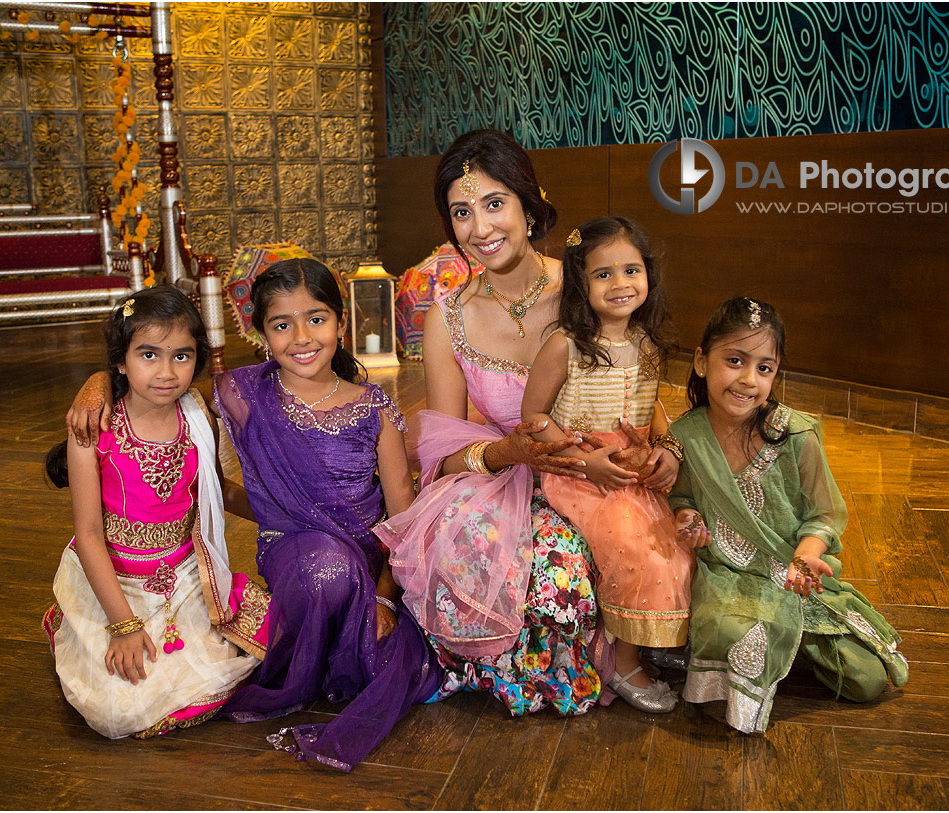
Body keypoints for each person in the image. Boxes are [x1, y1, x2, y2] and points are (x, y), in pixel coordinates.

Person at [377, 130, 651, 715]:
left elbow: (637, 375)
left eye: (494, 203)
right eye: (461, 213)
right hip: (507, 481)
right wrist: (509, 454)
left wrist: (659, 446)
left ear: (529, 204)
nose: (481, 228)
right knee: (519, 567)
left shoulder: (585, 282)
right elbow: (443, 453)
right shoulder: (448, 318)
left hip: (600, 470)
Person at [211, 258, 440, 771]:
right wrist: (99, 380)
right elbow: (159, 382)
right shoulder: (242, 394)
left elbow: (401, 514)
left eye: (315, 318)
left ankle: (341, 640)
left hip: (366, 559)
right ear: (261, 335)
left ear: (341, 322)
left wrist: (385, 595)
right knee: (325, 571)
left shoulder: (373, 406)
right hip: (294, 552)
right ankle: (322, 652)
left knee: (384, 648)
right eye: (281, 324)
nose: (301, 337)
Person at [668, 296, 909, 733]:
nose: (747, 380)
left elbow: (824, 516)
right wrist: (688, 520)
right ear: (702, 362)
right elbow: (681, 498)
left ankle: (792, 641)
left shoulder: (796, 434)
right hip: (726, 575)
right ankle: (776, 646)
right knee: (727, 630)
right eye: (735, 360)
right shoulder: (686, 436)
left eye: (764, 368)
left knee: (866, 680)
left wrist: (807, 554)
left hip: (791, 576)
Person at [41, 286, 264, 739]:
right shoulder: (93, 430)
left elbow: (214, 491)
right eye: (148, 355)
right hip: (115, 581)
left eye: (181, 356)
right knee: (116, 710)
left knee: (267, 641)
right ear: (120, 361)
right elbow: (87, 535)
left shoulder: (198, 414)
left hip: (185, 576)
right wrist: (123, 626)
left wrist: (284, 513)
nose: (166, 372)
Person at [519, 216, 694, 713]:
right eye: (603, 274)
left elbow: (651, 407)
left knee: (679, 540)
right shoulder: (565, 345)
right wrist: (582, 460)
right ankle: (622, 659)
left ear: (648, 276)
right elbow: (532, 416)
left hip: (633, 468)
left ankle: (663, 639)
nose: (620, 284)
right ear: (580, 282)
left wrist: (668, 449)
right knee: (633, 543)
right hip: (581, 471)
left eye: (631, 270)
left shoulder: (648, 344)